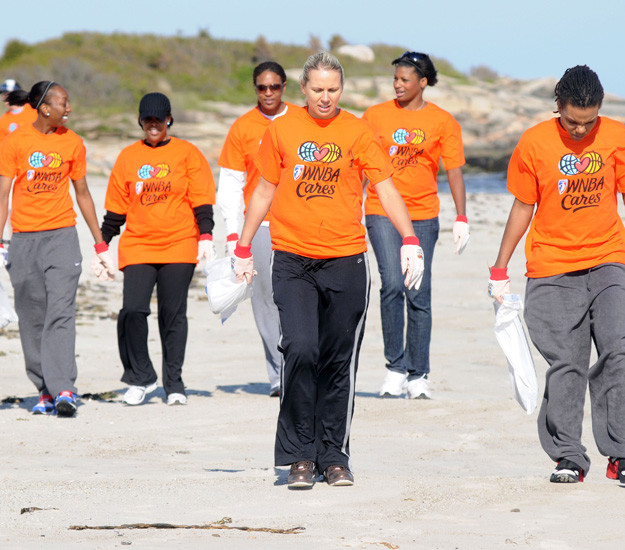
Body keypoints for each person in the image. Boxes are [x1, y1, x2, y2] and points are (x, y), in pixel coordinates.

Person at [233, 52, 424, 489]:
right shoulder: (281, 130)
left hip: (345, 260)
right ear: (303, 88)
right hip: (293, 259)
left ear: (342, 89)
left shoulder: (357, 131)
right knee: (300, 350)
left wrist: (410, 240)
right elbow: (263, 188)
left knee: (338, 361)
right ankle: (300, 455)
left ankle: (334, 456)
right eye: (317, 89)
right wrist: (243, 246)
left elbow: (386, 188)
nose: (325, 97)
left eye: (333, 89)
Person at [489, 65, 625, 484]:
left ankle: (620, 453)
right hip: (551, 267)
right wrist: (499, 267)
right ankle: (568, 455)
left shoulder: (617, 136)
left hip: (609, 258)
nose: (581, 130)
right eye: (572, 121)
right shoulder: (534, 142)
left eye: (589, 121)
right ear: (558, 108)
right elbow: (522, 206)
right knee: (566, 363)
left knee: (619, 351)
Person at [0, 80, 114, 417]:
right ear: (44, 107)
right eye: (63, 103)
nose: (69, 108)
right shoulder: (14, 141)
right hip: (23, 240)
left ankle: (65, 387)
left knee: (61, 312)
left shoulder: (73, 143)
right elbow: (3, 195)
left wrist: (100, 242)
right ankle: (44, 390)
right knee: (32, 317)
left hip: (62, 237)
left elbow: (82, 194)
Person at [97, 92, 216, 407]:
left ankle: (174, 383)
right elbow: (115, 212)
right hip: (138, 245)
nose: (153, 124)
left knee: (172, 315)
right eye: (147, 119)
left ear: (169, 120)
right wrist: (102, 245)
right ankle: (141, 378)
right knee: (132, 311)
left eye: (158, 119)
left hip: (179, 243)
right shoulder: (127, 157)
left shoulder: (188, 154)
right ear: (140, 121)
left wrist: (206, 236)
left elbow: (202, 199)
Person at [363, 51, 469, 399]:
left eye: (405, 79)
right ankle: (394, 368)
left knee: (418, 292)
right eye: (395, 79)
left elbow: (453, 170)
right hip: (381, 211)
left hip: (423, 214)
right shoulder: (375, 116)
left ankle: (418, 374)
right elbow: (357, 165)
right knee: (392, 284)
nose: (397, 85)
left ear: (422, 82)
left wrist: (461, 216)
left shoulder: (443, 121)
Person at [217, 61, 296, 397]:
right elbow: (231, 186)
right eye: (261, 88)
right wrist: (235, 237)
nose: (268, 93)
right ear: (255, 88)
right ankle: (279, 376)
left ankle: (301, 367)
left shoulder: (300, 119)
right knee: (265, 302)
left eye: (274, 87)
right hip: (259, 226)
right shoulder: (242, 127)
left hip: (298, 223)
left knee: (298, 299)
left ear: (284, 87)